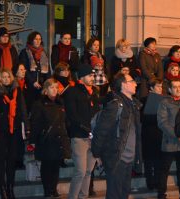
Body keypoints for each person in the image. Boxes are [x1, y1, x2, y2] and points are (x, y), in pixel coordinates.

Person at [91, 73, 142, 199]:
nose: (135, 84)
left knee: (124, 194)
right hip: (117, 158)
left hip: (129, 158)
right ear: (123, 85)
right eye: (132, 81)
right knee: (115, 194)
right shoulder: (116, 105)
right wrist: (96, 153)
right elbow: (101, 131)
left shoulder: (134, 105)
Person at [64, 63, 100, 199]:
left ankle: (83, 196)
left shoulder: (94, 92)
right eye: (90, 75)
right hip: (79, 137)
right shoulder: (72, 92)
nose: (93, 78)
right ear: (82, 77)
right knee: (80, 171)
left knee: (88, 171)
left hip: (93, 137)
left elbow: (97, 113)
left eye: (93, 75)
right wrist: (87, 128)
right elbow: (72, 115)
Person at [30, 78, 71, 198]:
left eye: (56, 87)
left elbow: (64, 122)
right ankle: (48, 189)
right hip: (46, 140)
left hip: (59, 139)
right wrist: (33, 140)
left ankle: (53, 188)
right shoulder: (39, 104)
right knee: (47, 166)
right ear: (45, 90)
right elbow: (35, 124)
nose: (55, 90)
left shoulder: (60, 103)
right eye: (51, 87)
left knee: (56, 165)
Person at [0, 68, 30, 199]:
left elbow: (22, 109)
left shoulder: (17, 90)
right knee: (0, 161)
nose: (6, 79)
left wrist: (27, 127)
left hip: (14, 130)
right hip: (0, 131)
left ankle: (10, 187)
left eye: (8, 77)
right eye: (3, 77)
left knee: (11, 161)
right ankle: (2, 189)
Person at [157, 79, 180, 199]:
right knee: (164, 170)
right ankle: (161, 195)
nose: (178, 89)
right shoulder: (164, 102)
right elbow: (162, 123)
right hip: (170, 141)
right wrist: (177, 135)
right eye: (175, 87)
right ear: (170, 89)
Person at [19, 31, 50, 113]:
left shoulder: (43, 52)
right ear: (31, 40)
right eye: (36, 39)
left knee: (41, 109)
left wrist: (48, 84)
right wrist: (32, 82)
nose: (38, 41)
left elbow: (48, 70)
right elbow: (24, 69)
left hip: (42, 86)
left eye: (39, 39)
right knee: (30, 108)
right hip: (29, 86)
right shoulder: (25, 52)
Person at [141, 78, 163, 190]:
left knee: (159, 161)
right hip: (148, 134)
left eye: (161, 86)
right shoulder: (144, 100)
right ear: (151, 88)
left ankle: (158, 182)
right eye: (158, 86)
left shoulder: (163, 100)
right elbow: (142, 118)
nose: (161, 88)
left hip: (160, 134)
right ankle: (150, 182)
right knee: (149, 161)